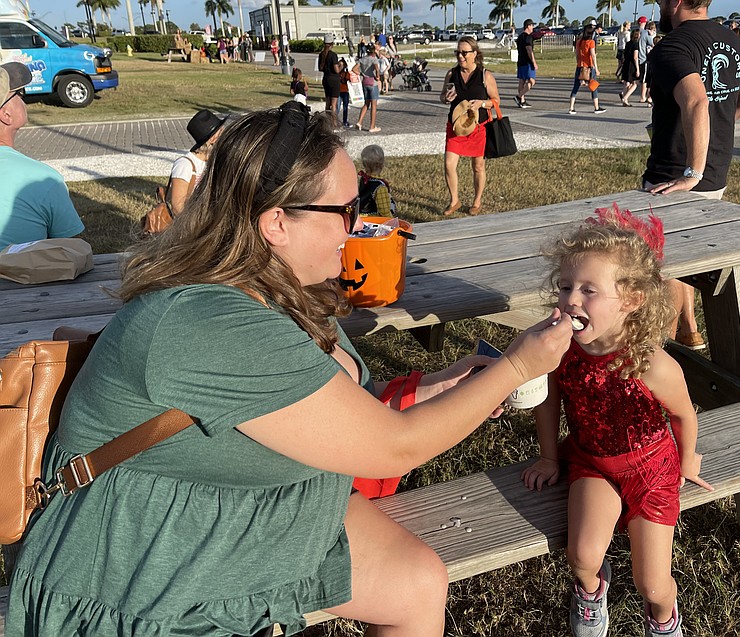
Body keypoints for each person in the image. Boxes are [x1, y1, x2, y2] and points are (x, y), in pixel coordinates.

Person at [5, 101, 575, 637]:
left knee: (415, 583)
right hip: (146, 566)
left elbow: (335, 402)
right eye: (347, 210)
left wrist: (436, 386)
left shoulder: (271, 290)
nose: (358, 227)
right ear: (275, 222)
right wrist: (519, 363)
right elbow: (392, 449)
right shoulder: (209, 323)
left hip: (247, 513)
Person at [522, 206, 713, 637]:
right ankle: (591, 591)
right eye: (566, 286)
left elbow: (683, 413)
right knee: (582, 556)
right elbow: (548, 402)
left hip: (652, 471)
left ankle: (664, 619)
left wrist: (687, 461)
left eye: (589, 290)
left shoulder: (650, 363)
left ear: (631, 300)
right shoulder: (560, 352)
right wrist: (549, 459)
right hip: (592, 461)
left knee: (652, 582)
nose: (571, 299)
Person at [642, 0, 740, 350]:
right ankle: (690, 328)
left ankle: (662, 348)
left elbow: (695, 101)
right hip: (717, 172)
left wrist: (692, 171)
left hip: (674, 173)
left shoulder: (671, 47)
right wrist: (716, 133)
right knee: (687, 255)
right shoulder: (732, 39)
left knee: (664, 265)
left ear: (676, 2)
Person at [0, 61, 84, 249]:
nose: (24, 101)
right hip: (20, 277)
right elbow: (69, 249)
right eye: (20, 94)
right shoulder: (43, 179)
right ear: (6, 115)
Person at [439, 36, 501, 215]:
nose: (460, 56)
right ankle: (454, 201)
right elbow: (443, 96)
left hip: (478, 127)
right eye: (457, 52)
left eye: (464, 53)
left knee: (478, 166)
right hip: (456, 126)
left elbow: (496, 101)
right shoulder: (452, 73)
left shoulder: (485, 75)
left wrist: (481, 103)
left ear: (474, 54)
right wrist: (445, 98)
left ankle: (477, 202)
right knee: (449, 164)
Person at [168, 109, 227, 215]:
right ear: (213, 140)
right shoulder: (185, 165)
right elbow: (177, 206)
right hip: (188, 223)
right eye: (221, 134)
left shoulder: (212, 162)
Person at [568, 22, 607, 115]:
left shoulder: (579, 42)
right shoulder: (591, 42)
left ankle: (571, 107)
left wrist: (579, 63)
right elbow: (593, 55)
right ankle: (596, 107)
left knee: (575, 87)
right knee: (593, 86)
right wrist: (596, 68)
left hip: (580, 66)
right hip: (589, 66)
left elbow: (577, 54)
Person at [358, 144, 396, 216]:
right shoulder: (380, 187)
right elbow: (384, 212)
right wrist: (392, 223)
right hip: (376, 221)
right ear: (382, 164)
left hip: (362, 219)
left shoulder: (363, 179)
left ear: (363, 164)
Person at [353, 44, 382, 133]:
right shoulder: (374, 59)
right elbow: (377, 69)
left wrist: (361, 73)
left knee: (366, 103)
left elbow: (354, 69)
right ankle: (372, 126)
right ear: (373, 51)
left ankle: (359, 122)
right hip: (372, 82)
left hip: (365, 82)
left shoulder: (362, 59)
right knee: (374, 106)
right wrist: (377, 77)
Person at [514, 18, 537, 108]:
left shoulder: (520, 37)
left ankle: (522, 101)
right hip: (527, 62)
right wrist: (533, 62)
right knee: (532, 81)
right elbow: (529, 49)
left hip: (520, 61)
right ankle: (519, 97)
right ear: (528, 26)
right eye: (532, 25)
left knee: (522, 81)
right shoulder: (528, 36)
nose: (533, 27)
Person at [319, 34, 342, 117]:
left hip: (326, 79)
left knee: (327, 103)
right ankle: (334, 123)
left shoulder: (321, 54)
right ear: (332, 44)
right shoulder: (333, 55)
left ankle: (326, 121)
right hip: (334, 80)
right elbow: (336, 70)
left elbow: (320, 68)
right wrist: (341, 65)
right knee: (334, 105)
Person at [619, 29, 641, 106]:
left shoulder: (628, 43)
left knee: (627, 82)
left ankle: (624, 99)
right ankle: (625, 97)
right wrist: (637, 69)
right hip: (632, 64)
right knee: (635, 83)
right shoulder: (636, 44)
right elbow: (635, 57)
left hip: (626, 63)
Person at [638, 20, 656, 104]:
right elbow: (652, 44)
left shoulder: (641, 32)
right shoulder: (647, 34)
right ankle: (643, 97)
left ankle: (644, 96)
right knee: (645, 79)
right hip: (644, 58)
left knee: (644, 78)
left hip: (640, 57)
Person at [337, 59, 351, 128]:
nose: (340, 67)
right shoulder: (336, 73)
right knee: (337, 107)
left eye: (341, 65)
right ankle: (335, 121)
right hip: (338, 91)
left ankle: (345, 121)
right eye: (339, 65)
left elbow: (348, 80)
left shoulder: (346, 73)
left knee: (345, 107)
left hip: (345, 91)